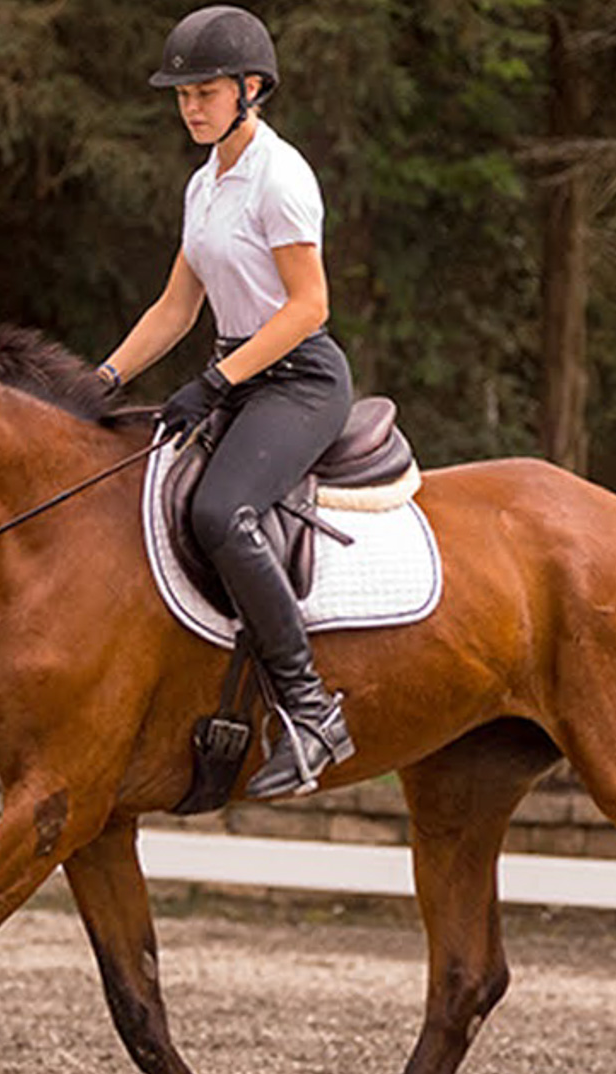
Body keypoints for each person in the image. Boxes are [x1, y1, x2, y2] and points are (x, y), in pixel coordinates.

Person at [97, 5, 356, 801]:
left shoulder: (280, 178)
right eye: (181, 96)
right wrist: (102, 380)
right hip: (238, 372)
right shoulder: (205, 183)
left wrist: (218, 380)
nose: (190, 108)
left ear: (250, 89)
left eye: (203, 92)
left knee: (220, 513)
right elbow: (176, 309)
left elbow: (309, 306)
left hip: (298, 378)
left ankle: (313, 712)